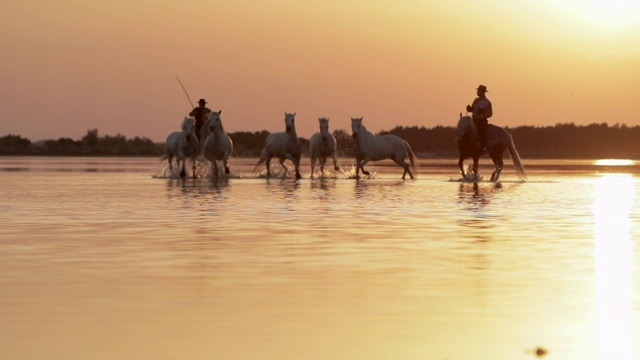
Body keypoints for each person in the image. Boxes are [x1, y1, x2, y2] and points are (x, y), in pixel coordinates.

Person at [466, 85, 492, 151]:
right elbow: (473, 109)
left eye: (478, 91)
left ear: (482, 92)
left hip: (482, 121)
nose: (477, 92)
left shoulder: (487, 102)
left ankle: (484, 147)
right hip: (474, 120)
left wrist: (483, 116)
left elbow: (490, 113)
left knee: (482, 131)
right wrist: (469, 109)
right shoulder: (476, 100)